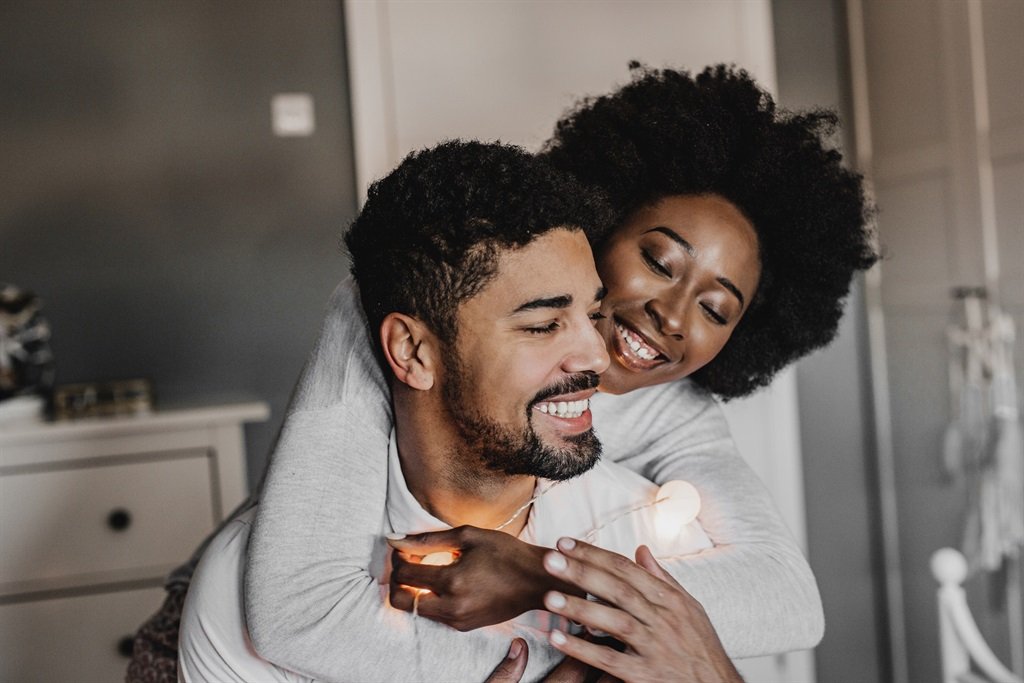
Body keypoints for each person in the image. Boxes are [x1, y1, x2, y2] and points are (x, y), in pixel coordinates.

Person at [129, 64, 876, 682]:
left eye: (716, 307)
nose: (673, 315)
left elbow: (787, 601)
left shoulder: (676, 420)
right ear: (598, 229)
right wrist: (591, 636)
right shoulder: (387, 318)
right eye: (658, 260)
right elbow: (294, 608)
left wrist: (538, 581)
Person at [178, 140, 734, 682]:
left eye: (593, 314)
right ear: (413, 352)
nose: (596, 354)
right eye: (543, 325)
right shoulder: (251, 585)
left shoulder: (651, 543)